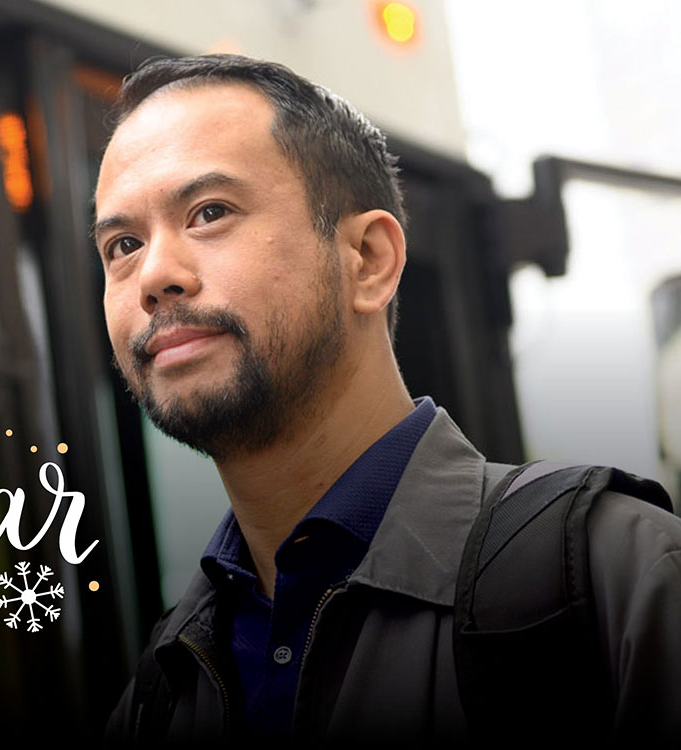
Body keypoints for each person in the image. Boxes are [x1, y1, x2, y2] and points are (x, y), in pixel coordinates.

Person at [96, 54, 681, 745]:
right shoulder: (163, 690)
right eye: (123, 244)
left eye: (210, 212)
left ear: (369, 259)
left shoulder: (618, 576)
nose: (155, 274)